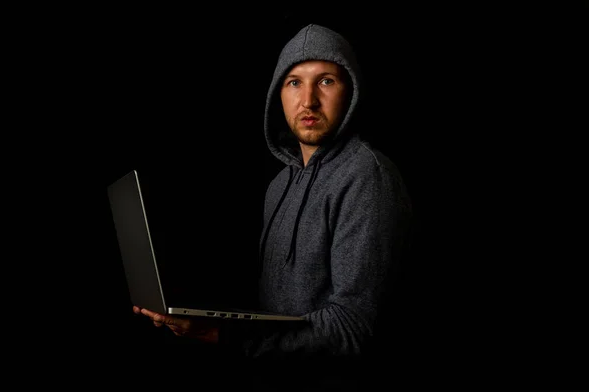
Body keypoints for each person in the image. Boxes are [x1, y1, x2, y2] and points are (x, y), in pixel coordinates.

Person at [133, 23, 413, 388]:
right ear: (277, 95)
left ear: (351, 91)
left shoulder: (367, 177)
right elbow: (277, 306)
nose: (308, 100)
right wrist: (204, 320)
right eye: (294, 82)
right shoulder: (280, 184)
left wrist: (226, 338)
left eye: (326, 80)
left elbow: (352, 327)